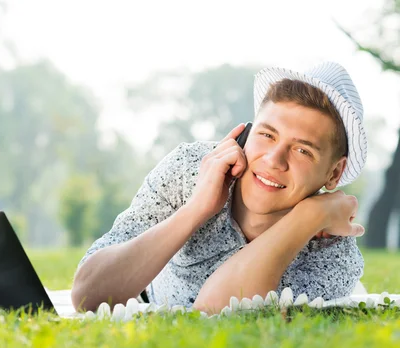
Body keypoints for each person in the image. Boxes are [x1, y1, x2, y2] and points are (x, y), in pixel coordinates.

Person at [71, 61, 368, 315]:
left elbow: (214, 313)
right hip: (145, 299)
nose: (274, 160)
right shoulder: (191, 167)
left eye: (303, 151)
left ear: (334, 173)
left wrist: (306, 219)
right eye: (267, 135)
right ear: (246, 134)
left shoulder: (334, 253)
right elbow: (87, 296)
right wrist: (197, 208)